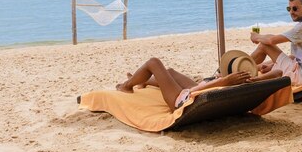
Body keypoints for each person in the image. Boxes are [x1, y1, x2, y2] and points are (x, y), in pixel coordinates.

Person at [116, 56, 281, 112]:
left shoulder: (227, 82)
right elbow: (279, 73)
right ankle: (142, 80)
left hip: (183, 100)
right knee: (171, 72)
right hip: (199, 89)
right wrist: (257, 76)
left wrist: (222, 80)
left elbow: (195, 92)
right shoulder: (246, 80)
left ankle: (126, 85)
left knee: (154, 62)